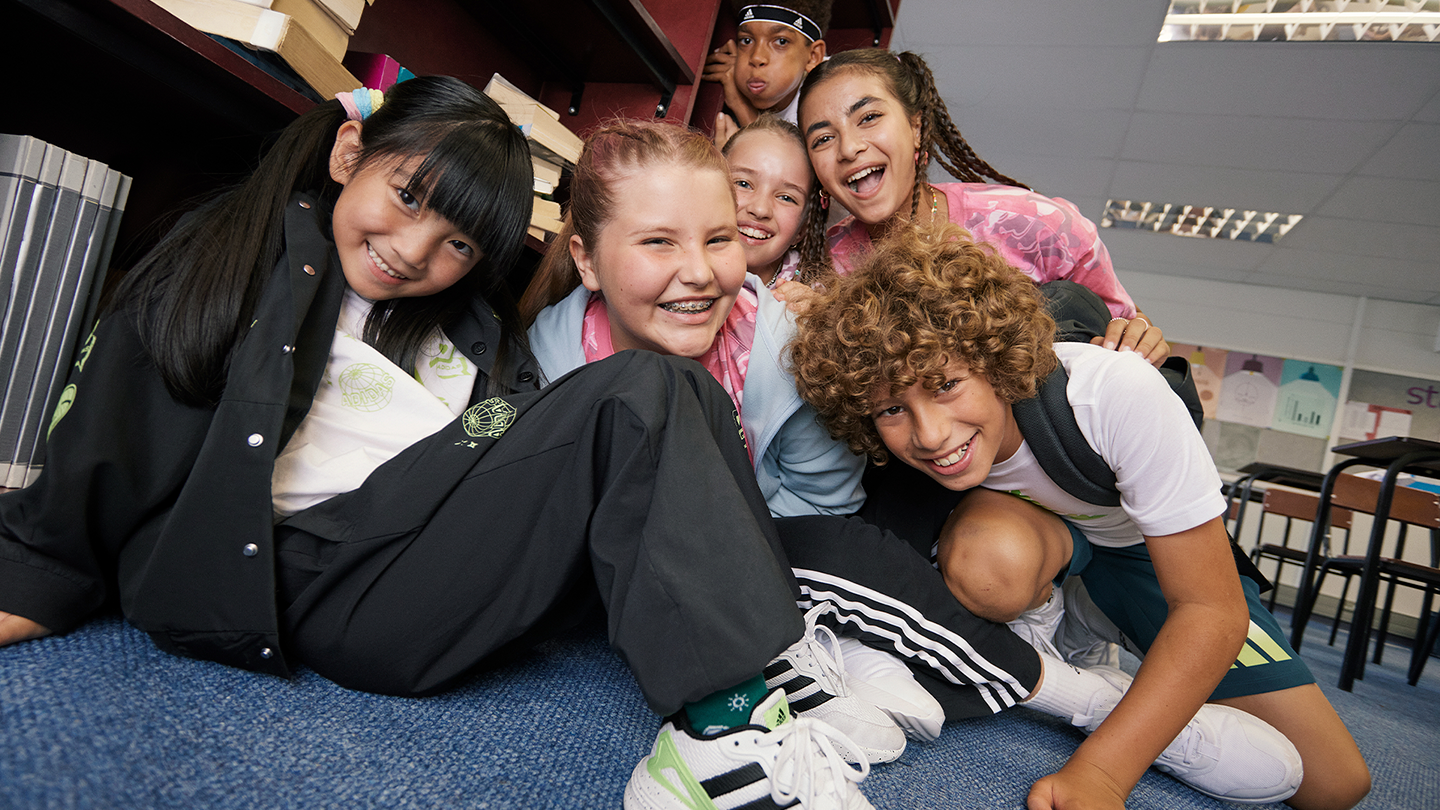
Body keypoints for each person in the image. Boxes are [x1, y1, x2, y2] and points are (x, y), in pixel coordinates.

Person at [0, 77, 884, 810]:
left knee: (649, 393)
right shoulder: (244, 259)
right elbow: (112, 423)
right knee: (651, 387)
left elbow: (501, 443)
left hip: (426, 550)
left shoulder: (462, 326)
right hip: (331, 579)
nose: (412, 249)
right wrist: (38, 575)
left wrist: (546, 439)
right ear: (350, 158)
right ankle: (721, 734)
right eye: (407, 197)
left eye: (457, 240)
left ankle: (759, 677)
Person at [788, 223, 1372, 810]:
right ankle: (1064, 628)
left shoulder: (1115, 395)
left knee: (1333, 786)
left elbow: (1209, 609)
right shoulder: (907, 456)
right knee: (989, 565)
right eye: (892, 408)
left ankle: (1098, 624)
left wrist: (1104, 773)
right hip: (1047, 544)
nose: (930, 434)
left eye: (946, 385)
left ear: (993, 360)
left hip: (1148, 555)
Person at [792, 47, 1165, 365]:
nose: (849, 148)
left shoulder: (1034, 224)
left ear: (916, 126)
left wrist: (1138, 335)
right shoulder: (823, 268)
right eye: (823, 138)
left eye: (869, 118)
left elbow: (1120, 321)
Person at [703, 1, 832, 147]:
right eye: (746, 41)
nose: (756, 57)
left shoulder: (836, 87)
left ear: (813, 56)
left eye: (781, 42)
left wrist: (741, 105)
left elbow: (787, 166)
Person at [723, 114, 820, 291]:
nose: (760, 209)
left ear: (802, 229)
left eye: (786, 197)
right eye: (744, 184)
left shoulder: (813, 304)